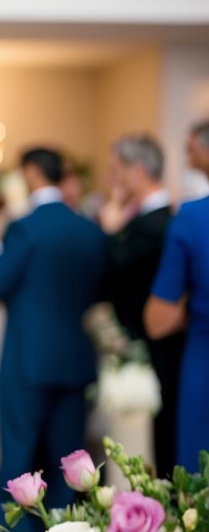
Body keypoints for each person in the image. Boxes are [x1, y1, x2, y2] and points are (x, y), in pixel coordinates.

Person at [0, 147, 106, 532]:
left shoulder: (24, 227)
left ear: (30, 174)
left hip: (26, 360)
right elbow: (97, 291)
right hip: (75, 358)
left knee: (18, 452)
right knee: (70, 459)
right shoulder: (89, 229)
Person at [101, 134, 184, 477]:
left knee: (160, 436)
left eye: (117, 170)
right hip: (141, 345)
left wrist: (109, 227)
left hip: (158, 346)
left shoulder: (158, 223)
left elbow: (118, 268)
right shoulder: (146, 220)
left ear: (137, 171)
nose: (112, 179)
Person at [146, 120, 209, 472]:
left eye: (191, 149)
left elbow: (159, 319)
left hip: (204, 363)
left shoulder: (192, 217)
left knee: (200, 488)